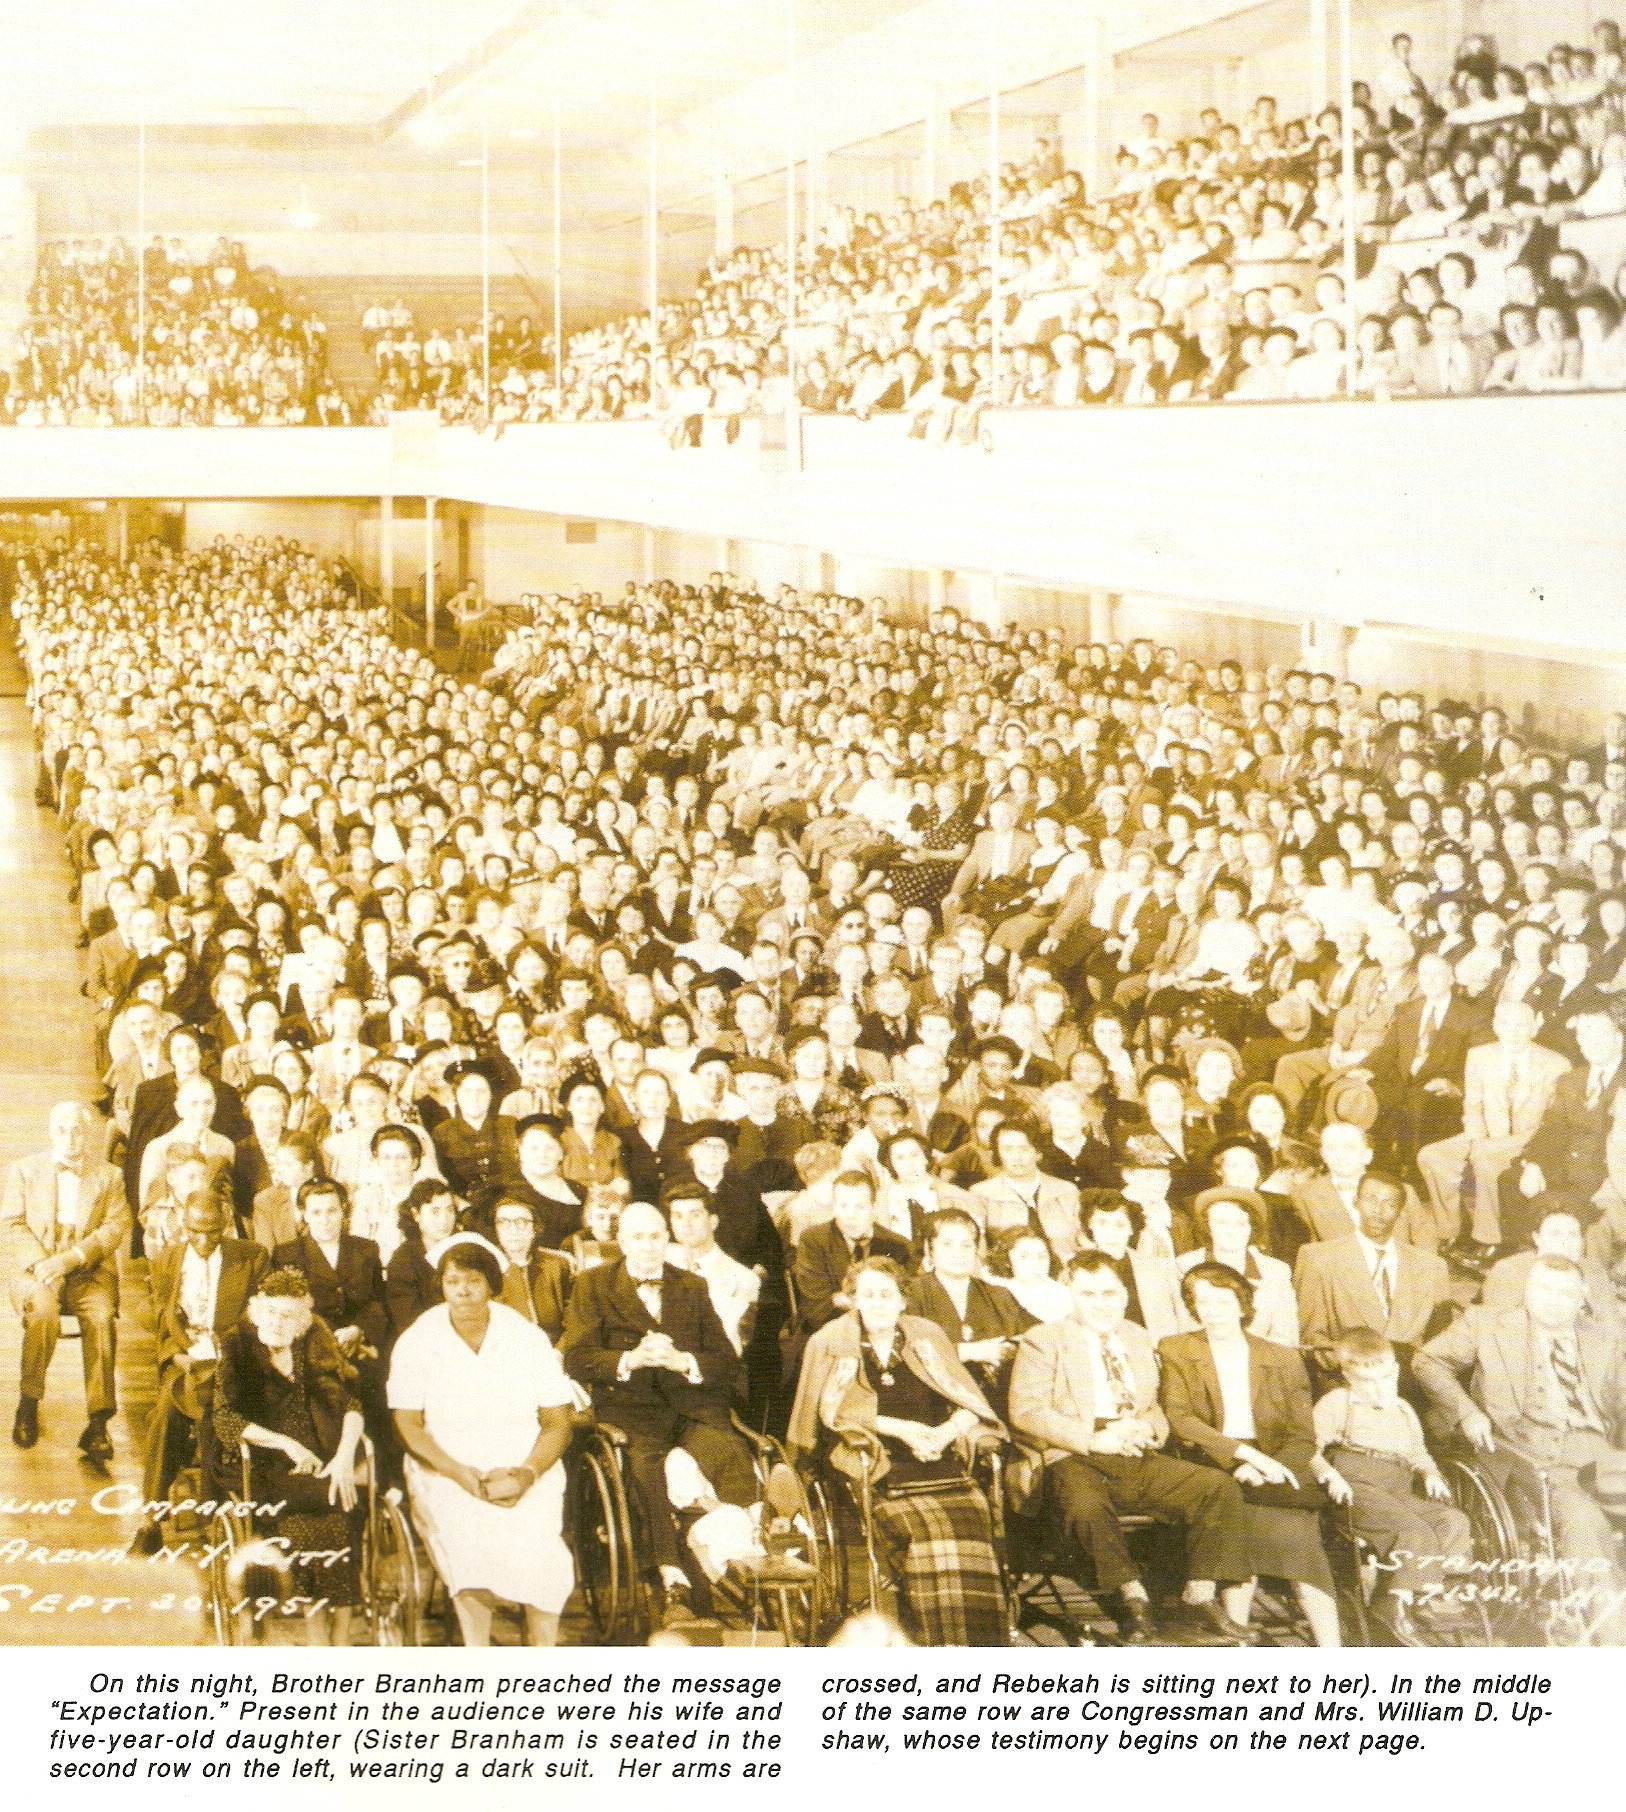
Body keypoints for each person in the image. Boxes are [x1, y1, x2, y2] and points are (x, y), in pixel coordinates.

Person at [1008, 1250, 1254, 1645]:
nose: (1100, 1304)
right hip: (1073, 1453)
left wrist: (1149, 1428)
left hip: (1134, 1449)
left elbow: (1154, 1405)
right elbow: (1027, 1410)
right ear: (1071, 1294)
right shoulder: (1044, 1340)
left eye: (1109, 1293)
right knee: (1086, 1503)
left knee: (1217, 1487)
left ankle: (1200, 1594)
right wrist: (1091, 1438)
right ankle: (1133, 1598)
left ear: (1124, 1294)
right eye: (1088, 1294)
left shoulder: (1137, 1337)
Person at [788, 1253, 1008, 1646]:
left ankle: (977, 1641)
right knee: (921, 1530)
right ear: (853, 1299)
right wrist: (905, 1430)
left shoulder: (926, 1335)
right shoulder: (832, 1341)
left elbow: (967, 1399)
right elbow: (829, 1412)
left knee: (972, 1515)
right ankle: (931, 1638)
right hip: (874, 1459)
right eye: (868, 1295)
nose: (877, 1303)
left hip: (937, 1455)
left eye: (886, 1294)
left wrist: (945, 1433)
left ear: (903, 1300)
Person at [560, 1200, 757, 1626]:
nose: (648, 1246)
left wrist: (683, 1361)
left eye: (655, 1237)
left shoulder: (691, 1286)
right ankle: (673, 1577)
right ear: (621, 1241)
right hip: (630, 1411)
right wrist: (629, 1359)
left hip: (691, 1408)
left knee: (730, 1452)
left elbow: (726, 1362)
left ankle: (745, 1553)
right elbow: (576, 1357)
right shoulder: (593, 1285)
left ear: (667, 1239)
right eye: (637, 1237)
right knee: (644, 1470)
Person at [1416, 1255, 1626, 1637]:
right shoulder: (1485, 1324)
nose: (1552, 1300)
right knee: (1584, 1521)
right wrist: (1467, 1412)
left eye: (1565, 1293)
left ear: (1583, 1296)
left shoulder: (1605, 1338)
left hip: (1601, 1453)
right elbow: (1427, 1361)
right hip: (1531, 1453)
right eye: (1543, 1289)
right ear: (1527, 1290)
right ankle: (1614, 1637)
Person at [389, 1236, 576, 1645]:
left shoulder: (526, 1336)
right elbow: (408, 1422)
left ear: (492, 1284)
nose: (463, 1291)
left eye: (473, 1281)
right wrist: (458, 1472)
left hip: (524, 1459)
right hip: (444, 1463)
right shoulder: (418, 1339)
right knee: (468, 1534)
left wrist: (527, 1474)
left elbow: (557, 1421)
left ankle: (542, 1654)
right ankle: (478, 1653)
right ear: (441, 1285)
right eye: (452, 1281)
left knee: (540, 1546)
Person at [1160, 1262, 1342, 1646]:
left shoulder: (1283, 1357)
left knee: (1297, 1541)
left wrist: (1264, 1467)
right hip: (1211, 1459)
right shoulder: (1177, 1349)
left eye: (1223, 1302)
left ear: (1243, 1305)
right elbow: (1181, 1420)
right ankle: (1237, 1646)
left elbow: (1302, 1436)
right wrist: (1243, 1457)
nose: (1212, 1312)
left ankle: (1332, 1653)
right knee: (1241, 1521)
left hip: (1276, 1464)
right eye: (1202, 1302)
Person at [213, 1267, 366, 1644]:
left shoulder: (313, 1339)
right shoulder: (237, 1345)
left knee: (342, 1507)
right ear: (256, 1309)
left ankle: (339, 1635)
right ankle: (320, 1634)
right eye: (270, 1312)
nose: (277, 1322)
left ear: (301, 1320)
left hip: (323, 1459)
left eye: (288, 1315)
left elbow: (350, 1404)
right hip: (264, 1462)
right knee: (326, 1512)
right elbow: (226, 1417)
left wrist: (344, 1456)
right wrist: (285, 1443)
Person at [1311, 1329, 1473, 1643]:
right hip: (1357, 1479)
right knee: (1412, 1531)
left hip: (1400, 1482)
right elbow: (1308, 1449)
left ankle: (1429, 1594)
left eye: (1386, 1378)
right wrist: (1329, 1475)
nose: (1379, 1389)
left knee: (1453, 1520)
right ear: (1348, 1377)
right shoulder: (1336, 1403)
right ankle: (1390, 1606)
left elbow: (1418, 1453)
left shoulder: (1403, 1409)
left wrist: (1430, 1474)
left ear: (1396, 1371)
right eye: (1367, 1382)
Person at [3, 1101, 128, 1456]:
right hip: (39, 1268)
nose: (70, 1138)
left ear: (88, 1135)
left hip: (89, 1270)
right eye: (62, 1130)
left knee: (101, 1317)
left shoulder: (109, 1176)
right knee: (43, 1313)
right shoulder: (25, 1170)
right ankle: (28, 1402)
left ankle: (98, 1423)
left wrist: (72, 1258)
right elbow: (12, 1224)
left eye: (77, 1131)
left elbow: (115, 1226)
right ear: (50, 1132)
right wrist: (46, 1264)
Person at [1417, 999, 1571, 1268]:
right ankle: (1453, 1229)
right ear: (1496, 1027)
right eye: (1506, 1024)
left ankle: (1490, 1241)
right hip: (1484, 1135)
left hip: (1528, 1141)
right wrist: (1477, 1139)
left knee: (1487, 1164)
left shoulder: (1556, 1065)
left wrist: (1487, 1149)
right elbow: (1473, 1106)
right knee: (1431, 1155)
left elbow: (1552, 1125)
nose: (1513, 1032)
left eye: (1521, 1025)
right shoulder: (1479, 1056)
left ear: (1534, 1028)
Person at [1292, 1168, 1451, 1378]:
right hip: (1347, 1379)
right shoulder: (1318, 1259)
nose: (1378, 1210)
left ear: (1401, 1212)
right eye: (1371, 1200)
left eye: (1390, 1204)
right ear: (1355, 1202)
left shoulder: (1432, 1266)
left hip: (1414, 1383)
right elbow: (1310, 1339)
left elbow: (1442, 1343)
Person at [1178, 1185, 1298, 1345]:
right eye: (1221, 1223)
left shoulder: (1276, 1272)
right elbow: (1182, 1333)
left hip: (1262, 1358)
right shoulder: (1183, 1267)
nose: (1231, 1231)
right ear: (1208, 1227)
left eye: (1241, 1223)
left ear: (1251, 1228)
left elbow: (1286, 1337)